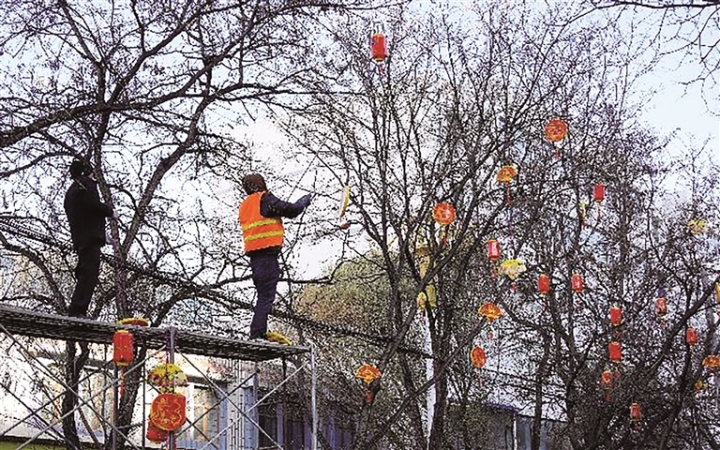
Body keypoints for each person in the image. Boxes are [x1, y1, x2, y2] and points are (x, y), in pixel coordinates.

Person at [239, 174, 311, 340]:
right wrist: (304, 201)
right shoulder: (264, 199)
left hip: (255, 259)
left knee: (263, 296)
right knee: (266, 297)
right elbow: (292, 210)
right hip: (266, 256)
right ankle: (257, 334)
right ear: (260, 185)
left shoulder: (245, 206)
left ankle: (258, 332)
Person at [64, 158, 113, 317]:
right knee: (90, 274)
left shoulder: (71, 192)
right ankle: (78, 310)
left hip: (80, 238)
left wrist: (100, 233)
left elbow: (83, 214)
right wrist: (109, 211)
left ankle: (76, 308)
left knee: (84, 272)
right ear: (87, 172)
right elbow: (92, 204)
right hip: (90, 239)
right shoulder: (86, 184)